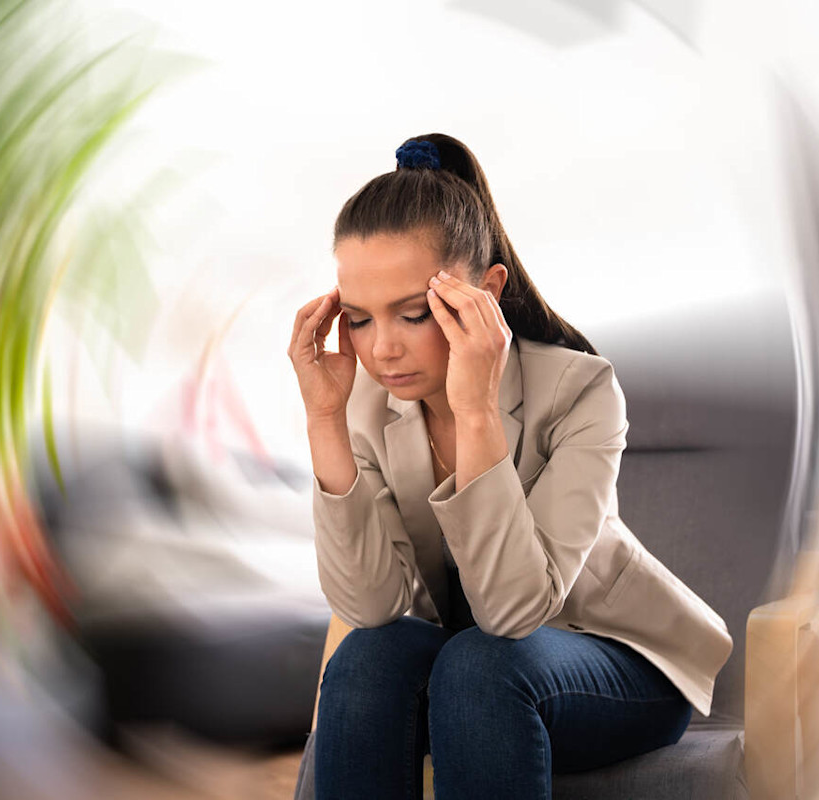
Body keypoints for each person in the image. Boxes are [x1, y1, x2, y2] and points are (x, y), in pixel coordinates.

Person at [287, 133, 732, 800]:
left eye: (413, 313)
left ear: (487, 292)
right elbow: (370, 604)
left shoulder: (582, 390)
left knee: (479, 666)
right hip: (481, 659)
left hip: (623, 663)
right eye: (357, 319)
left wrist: (475, 415)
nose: (381, 349)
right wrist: (324, 419)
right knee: (366, 658)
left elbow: (513, 611)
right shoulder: (364, 401)